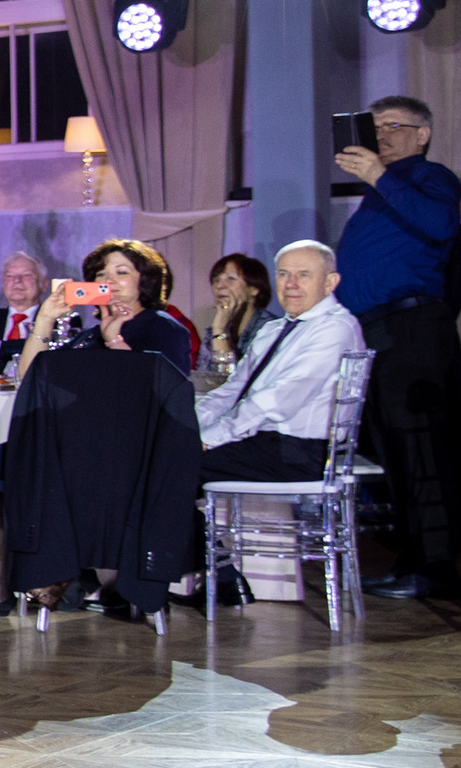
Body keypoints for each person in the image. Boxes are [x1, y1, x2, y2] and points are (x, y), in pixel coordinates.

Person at [0, 238, 192, 619]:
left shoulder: (161, 327)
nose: (109, 280)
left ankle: (64, 574)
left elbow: (153, 394)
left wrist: (116, 340)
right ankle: (0, 588)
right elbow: (30, 376)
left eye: (122, 272)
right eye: (101, 274)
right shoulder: (88, 333)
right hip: (69, 447)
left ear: (146, 281)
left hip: (123, 456)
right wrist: (44, 320)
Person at [334, 95, 461, 601]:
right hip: (378, 331)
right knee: (396, 452)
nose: (382, 135)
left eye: (393, 126)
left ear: (421, 135)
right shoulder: (378, 193)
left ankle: (434, 567)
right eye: (376, 127)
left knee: (420, 447)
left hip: (413, 329)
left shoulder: (430, 179)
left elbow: (442, 226)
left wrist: (380, 177)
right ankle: (414, 558)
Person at [195, 242, 365, 483]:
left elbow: (279, 399)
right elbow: (233, 390)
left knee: (176, 464)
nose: (291, 284)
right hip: (262, 442)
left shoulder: (336, 328)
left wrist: (210, 438)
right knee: (164, 455)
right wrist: (190, 427)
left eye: (303, 275)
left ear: (330, 282)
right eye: (284, 274)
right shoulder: (272, 330)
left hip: (298, 452)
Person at [0, 252, 49, 375]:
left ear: (44, 284)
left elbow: (48, 352)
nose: (17, 281)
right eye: (9, 276)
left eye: (27, 275)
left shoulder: (58, 321)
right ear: (2, 284)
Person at [203, 253, 278, 372]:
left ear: (254, 289)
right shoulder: (212, 332)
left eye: (230, 279)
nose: (220, 286)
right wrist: (218, 330)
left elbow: (237, 382)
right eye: (216, 280)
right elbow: (205, 381)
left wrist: (219, 334)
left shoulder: (271, 329)